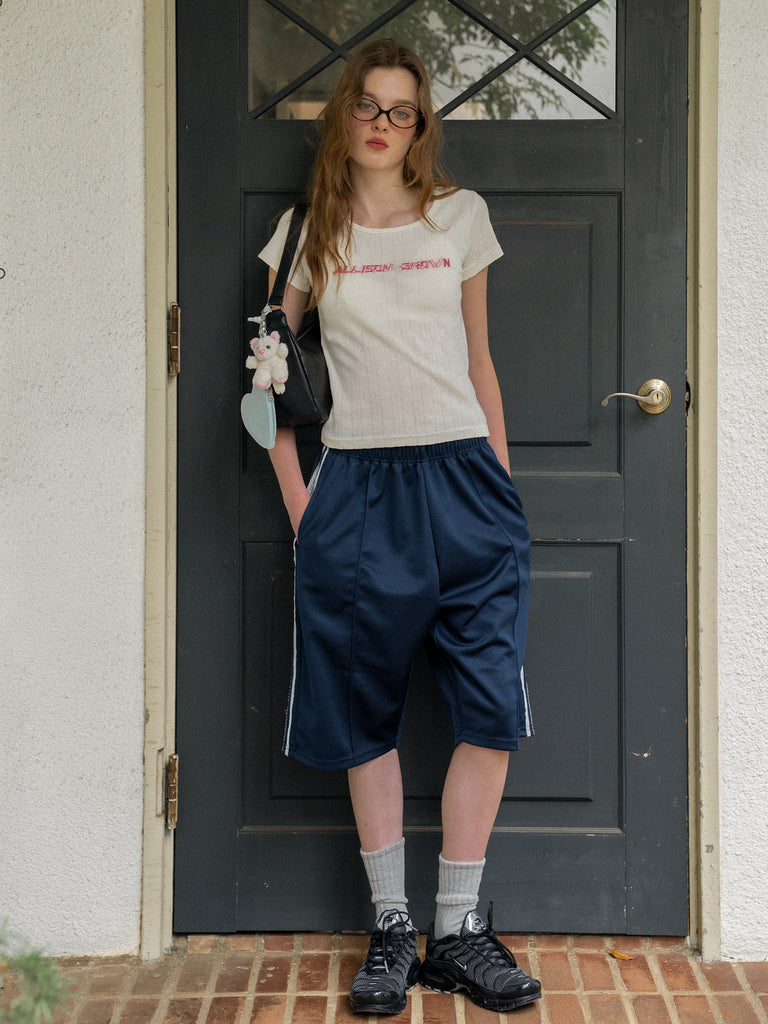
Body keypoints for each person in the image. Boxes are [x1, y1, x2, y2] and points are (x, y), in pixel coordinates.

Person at [258, 38, 541, 1017]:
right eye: (368, 105)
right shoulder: (308, 232)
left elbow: (480, 360)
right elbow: (265, 381)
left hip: (466, 485)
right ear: (346, 113)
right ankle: (391, 927)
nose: (382, 123)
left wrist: (502, 493)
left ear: (421, 126)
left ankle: (455, 931)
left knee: (491, 711)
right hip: (357, 490)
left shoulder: (460, 216)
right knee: (360, 711)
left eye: (402, 110)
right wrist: (301, 504)